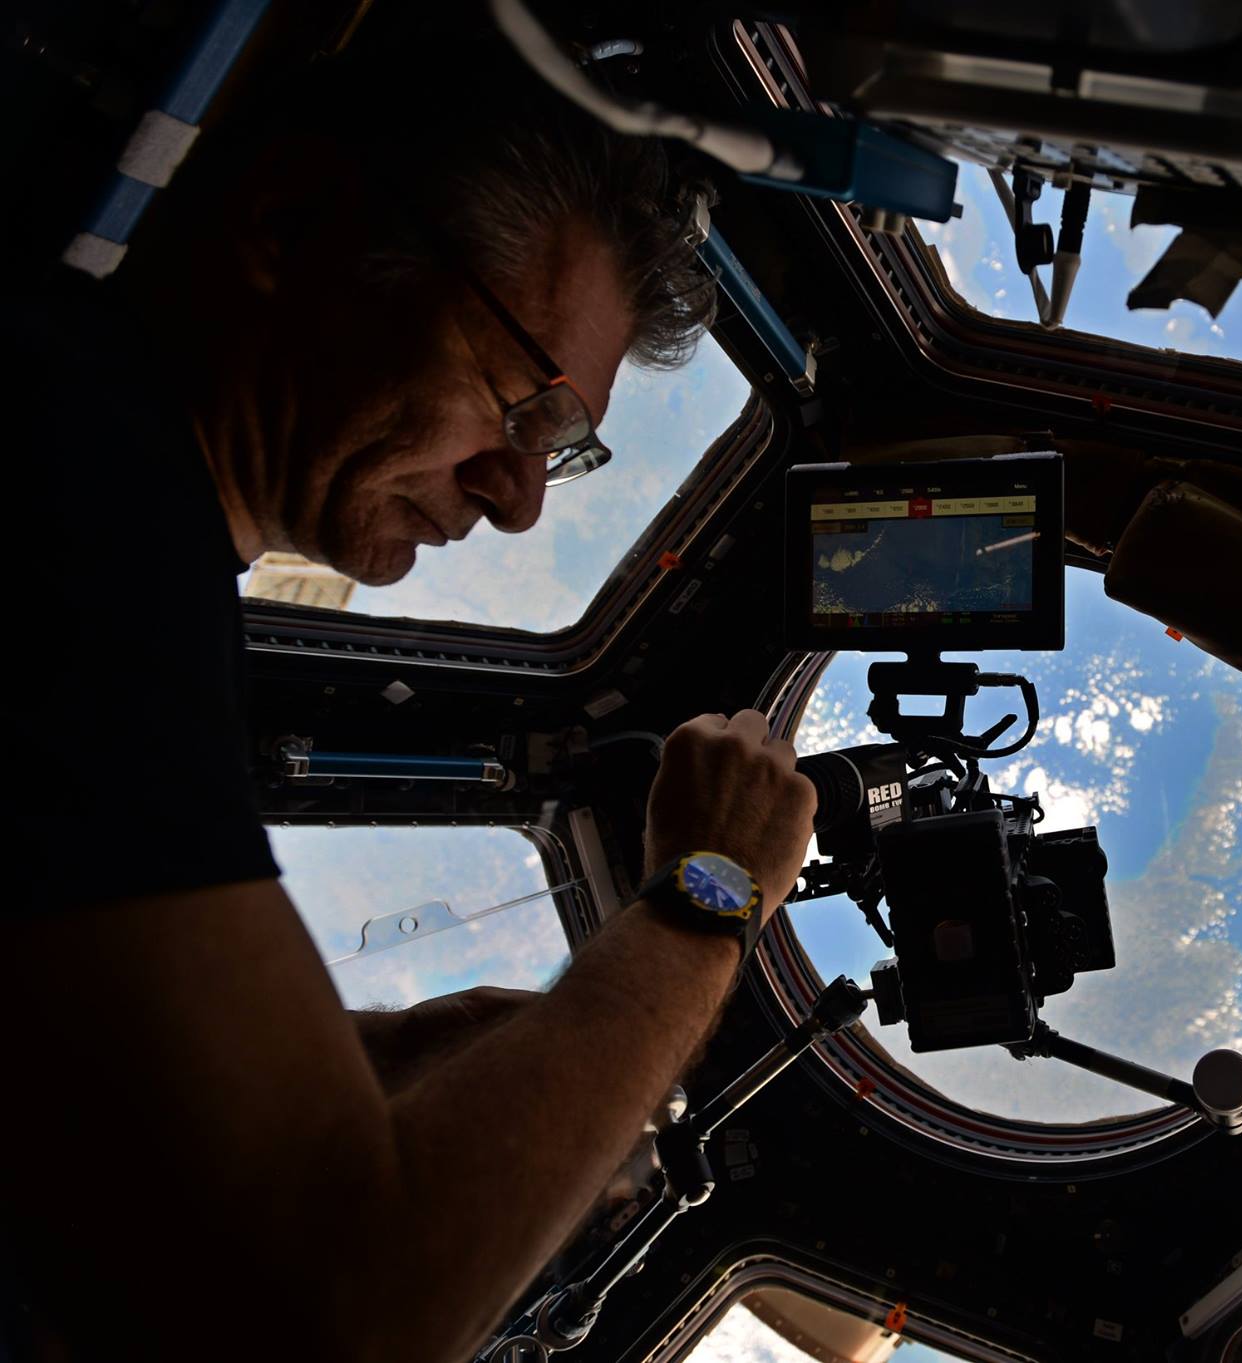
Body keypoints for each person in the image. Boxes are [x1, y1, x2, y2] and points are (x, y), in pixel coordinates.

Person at [1, 29, 817, 1363]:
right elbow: (327, 1318)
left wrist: (377, 1060)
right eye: (519, 402)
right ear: (292, 223)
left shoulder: (103, 475)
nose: (515, 497)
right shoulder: (70, 495)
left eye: (562, 445)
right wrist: (707, 896)